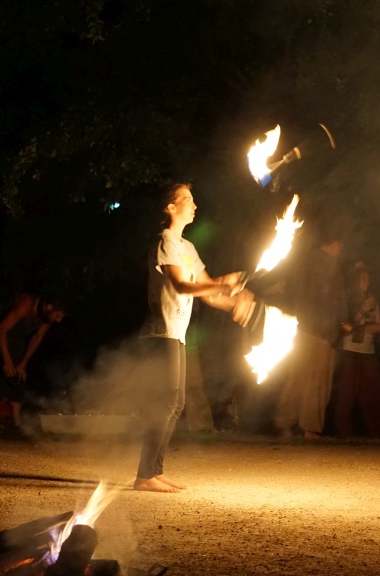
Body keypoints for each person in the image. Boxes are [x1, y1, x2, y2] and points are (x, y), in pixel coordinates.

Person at [134, 182, 253, 493]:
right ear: (170, 207)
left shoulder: (187, 248)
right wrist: (222, 285)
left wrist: (237, 305)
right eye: (187, 199)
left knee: (175, 404)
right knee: (168, 402)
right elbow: (182, 286)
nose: (194, 204)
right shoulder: (165, 242)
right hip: (160, 332)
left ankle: (154, 471)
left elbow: (209, 292)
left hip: (177, 333)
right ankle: (145, 474)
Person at [273, 222, 348, 440]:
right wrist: (337, 326)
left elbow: (292, 294)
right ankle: (310, 428)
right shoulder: (329, 266)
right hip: (321, 332)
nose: (341, 247)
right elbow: (335, 301)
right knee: (317, 382)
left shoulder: (304, 263)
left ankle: (283, 421)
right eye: (339, 243)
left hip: (302, 328)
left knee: (297, 377)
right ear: (332, 243)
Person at [0, 292, 66, 431]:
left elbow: (37, 337)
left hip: (16, 341)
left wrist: (23, 364)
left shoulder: (47, 319)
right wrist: (7, 361)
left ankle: (17, 426)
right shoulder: (26, 304)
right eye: (58, 315)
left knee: (18, 379)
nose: (59, 320)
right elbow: (1, 330)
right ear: (49, 307)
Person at [333, 264, 380, 439]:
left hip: (368, 353)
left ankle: (377, 433)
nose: (367, 281)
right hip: (350, 352)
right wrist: (362, 311)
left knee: (373, 394)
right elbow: (346, 327)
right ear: (356, 281)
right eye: (363, 278)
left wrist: (365, 327)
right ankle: (345, 433)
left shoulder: (373, 300)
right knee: (346, 396)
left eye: (368, 278)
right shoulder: (348, 301)